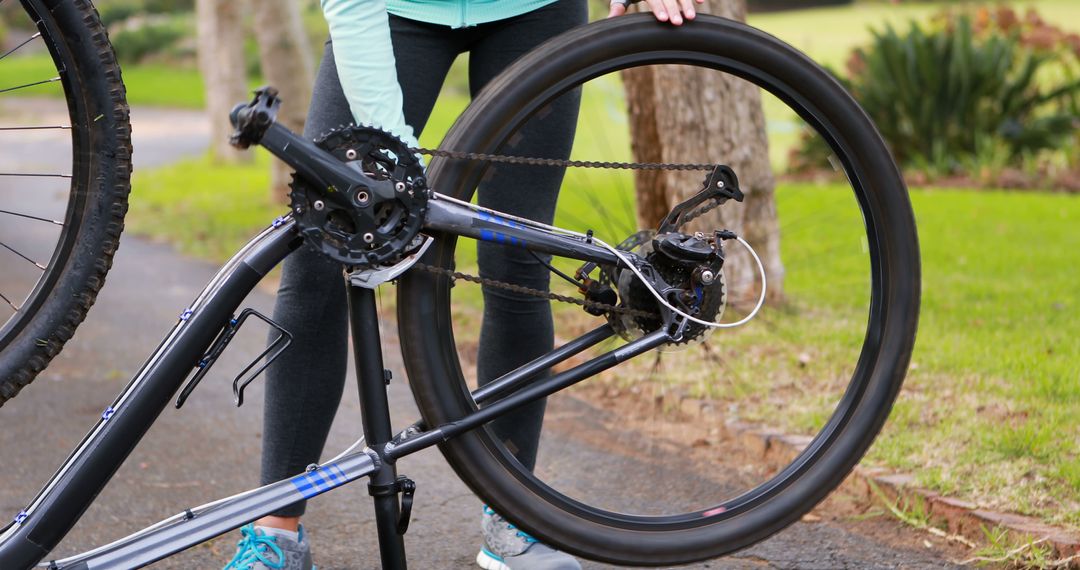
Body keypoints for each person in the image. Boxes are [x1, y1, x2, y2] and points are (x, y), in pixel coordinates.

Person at [224, 1, 702, 569]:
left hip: (534, 9)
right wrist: (397, 176)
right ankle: (276, 534)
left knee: (519, 257)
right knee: (319, 254)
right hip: (395, 8)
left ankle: (512, 514)